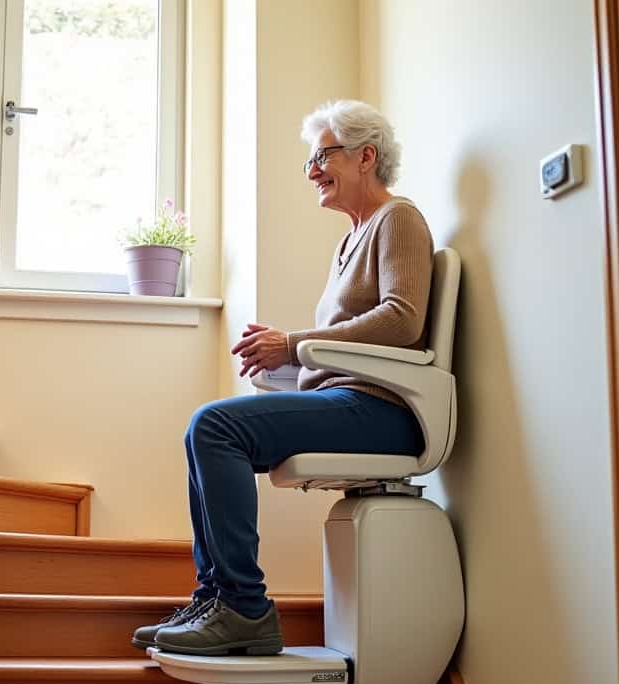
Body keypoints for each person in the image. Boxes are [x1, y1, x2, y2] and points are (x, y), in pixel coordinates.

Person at [132, 100, 434, 656]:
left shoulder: (399, 218)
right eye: (310, 161)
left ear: (366, 156)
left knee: (214, 427)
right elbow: (353, 339)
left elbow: (403, 318)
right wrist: (287, 360)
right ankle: (216, 597)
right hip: (350, 401)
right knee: (204, 432)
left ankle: (243, 608)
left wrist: (293, 344)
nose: (313, 170)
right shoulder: (351, 239)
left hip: (384, 412)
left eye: (323, 156)